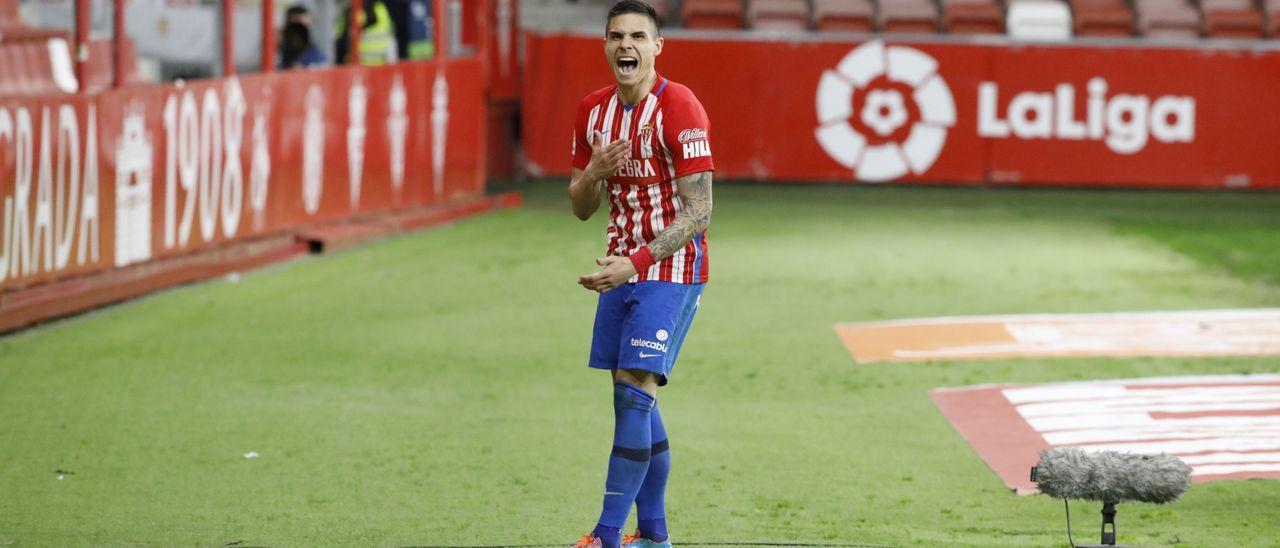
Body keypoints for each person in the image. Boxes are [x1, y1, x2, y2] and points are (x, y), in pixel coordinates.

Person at [567, 2, 714, 547]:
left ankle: (606, 536)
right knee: (631, 396)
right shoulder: (591, 112)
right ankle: (652, 535)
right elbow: (581, 206)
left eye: (636, 36)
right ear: (606, 45)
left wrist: (639, 261)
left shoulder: (680, 107)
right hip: (620, 268)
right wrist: (595, 175)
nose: (624, 45)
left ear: (657, 47)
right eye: (615, 36)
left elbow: (699, 213)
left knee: (634, 391)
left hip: (672, 269)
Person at [279, 5, 327, 69]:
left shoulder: (317, 57)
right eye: (292, 25)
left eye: (300, 26)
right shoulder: (279, 54)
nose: (297, 30)